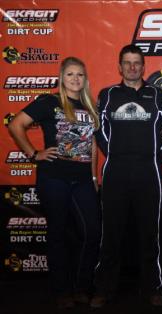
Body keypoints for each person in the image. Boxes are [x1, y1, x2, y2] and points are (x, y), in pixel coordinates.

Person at [8, 57, 101, 309]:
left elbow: (92, 145)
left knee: (92, 232)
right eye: (70, 74)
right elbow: (16, 124)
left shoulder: (91, 105)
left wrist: (93, 176)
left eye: (80, 75)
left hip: (83, 180)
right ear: (62, 77)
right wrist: (33, 153)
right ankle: (62, 290)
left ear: (85, 79)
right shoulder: (49, 102)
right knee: (58, 234)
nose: (75, 79)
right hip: (54, 178)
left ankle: (82, 287)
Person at [90, 44, 162, 308]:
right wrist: (116, 153)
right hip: (115, 172)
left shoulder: (159, 95)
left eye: (137, 62)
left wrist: (152, 158)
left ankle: (153, 288)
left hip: (149, 172)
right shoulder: (108, 95)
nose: (132, 67)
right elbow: (99, 132)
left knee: (150, 233)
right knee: (111, 233)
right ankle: (103, 289)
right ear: (120, 66)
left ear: (143, 66)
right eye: (127, 63)